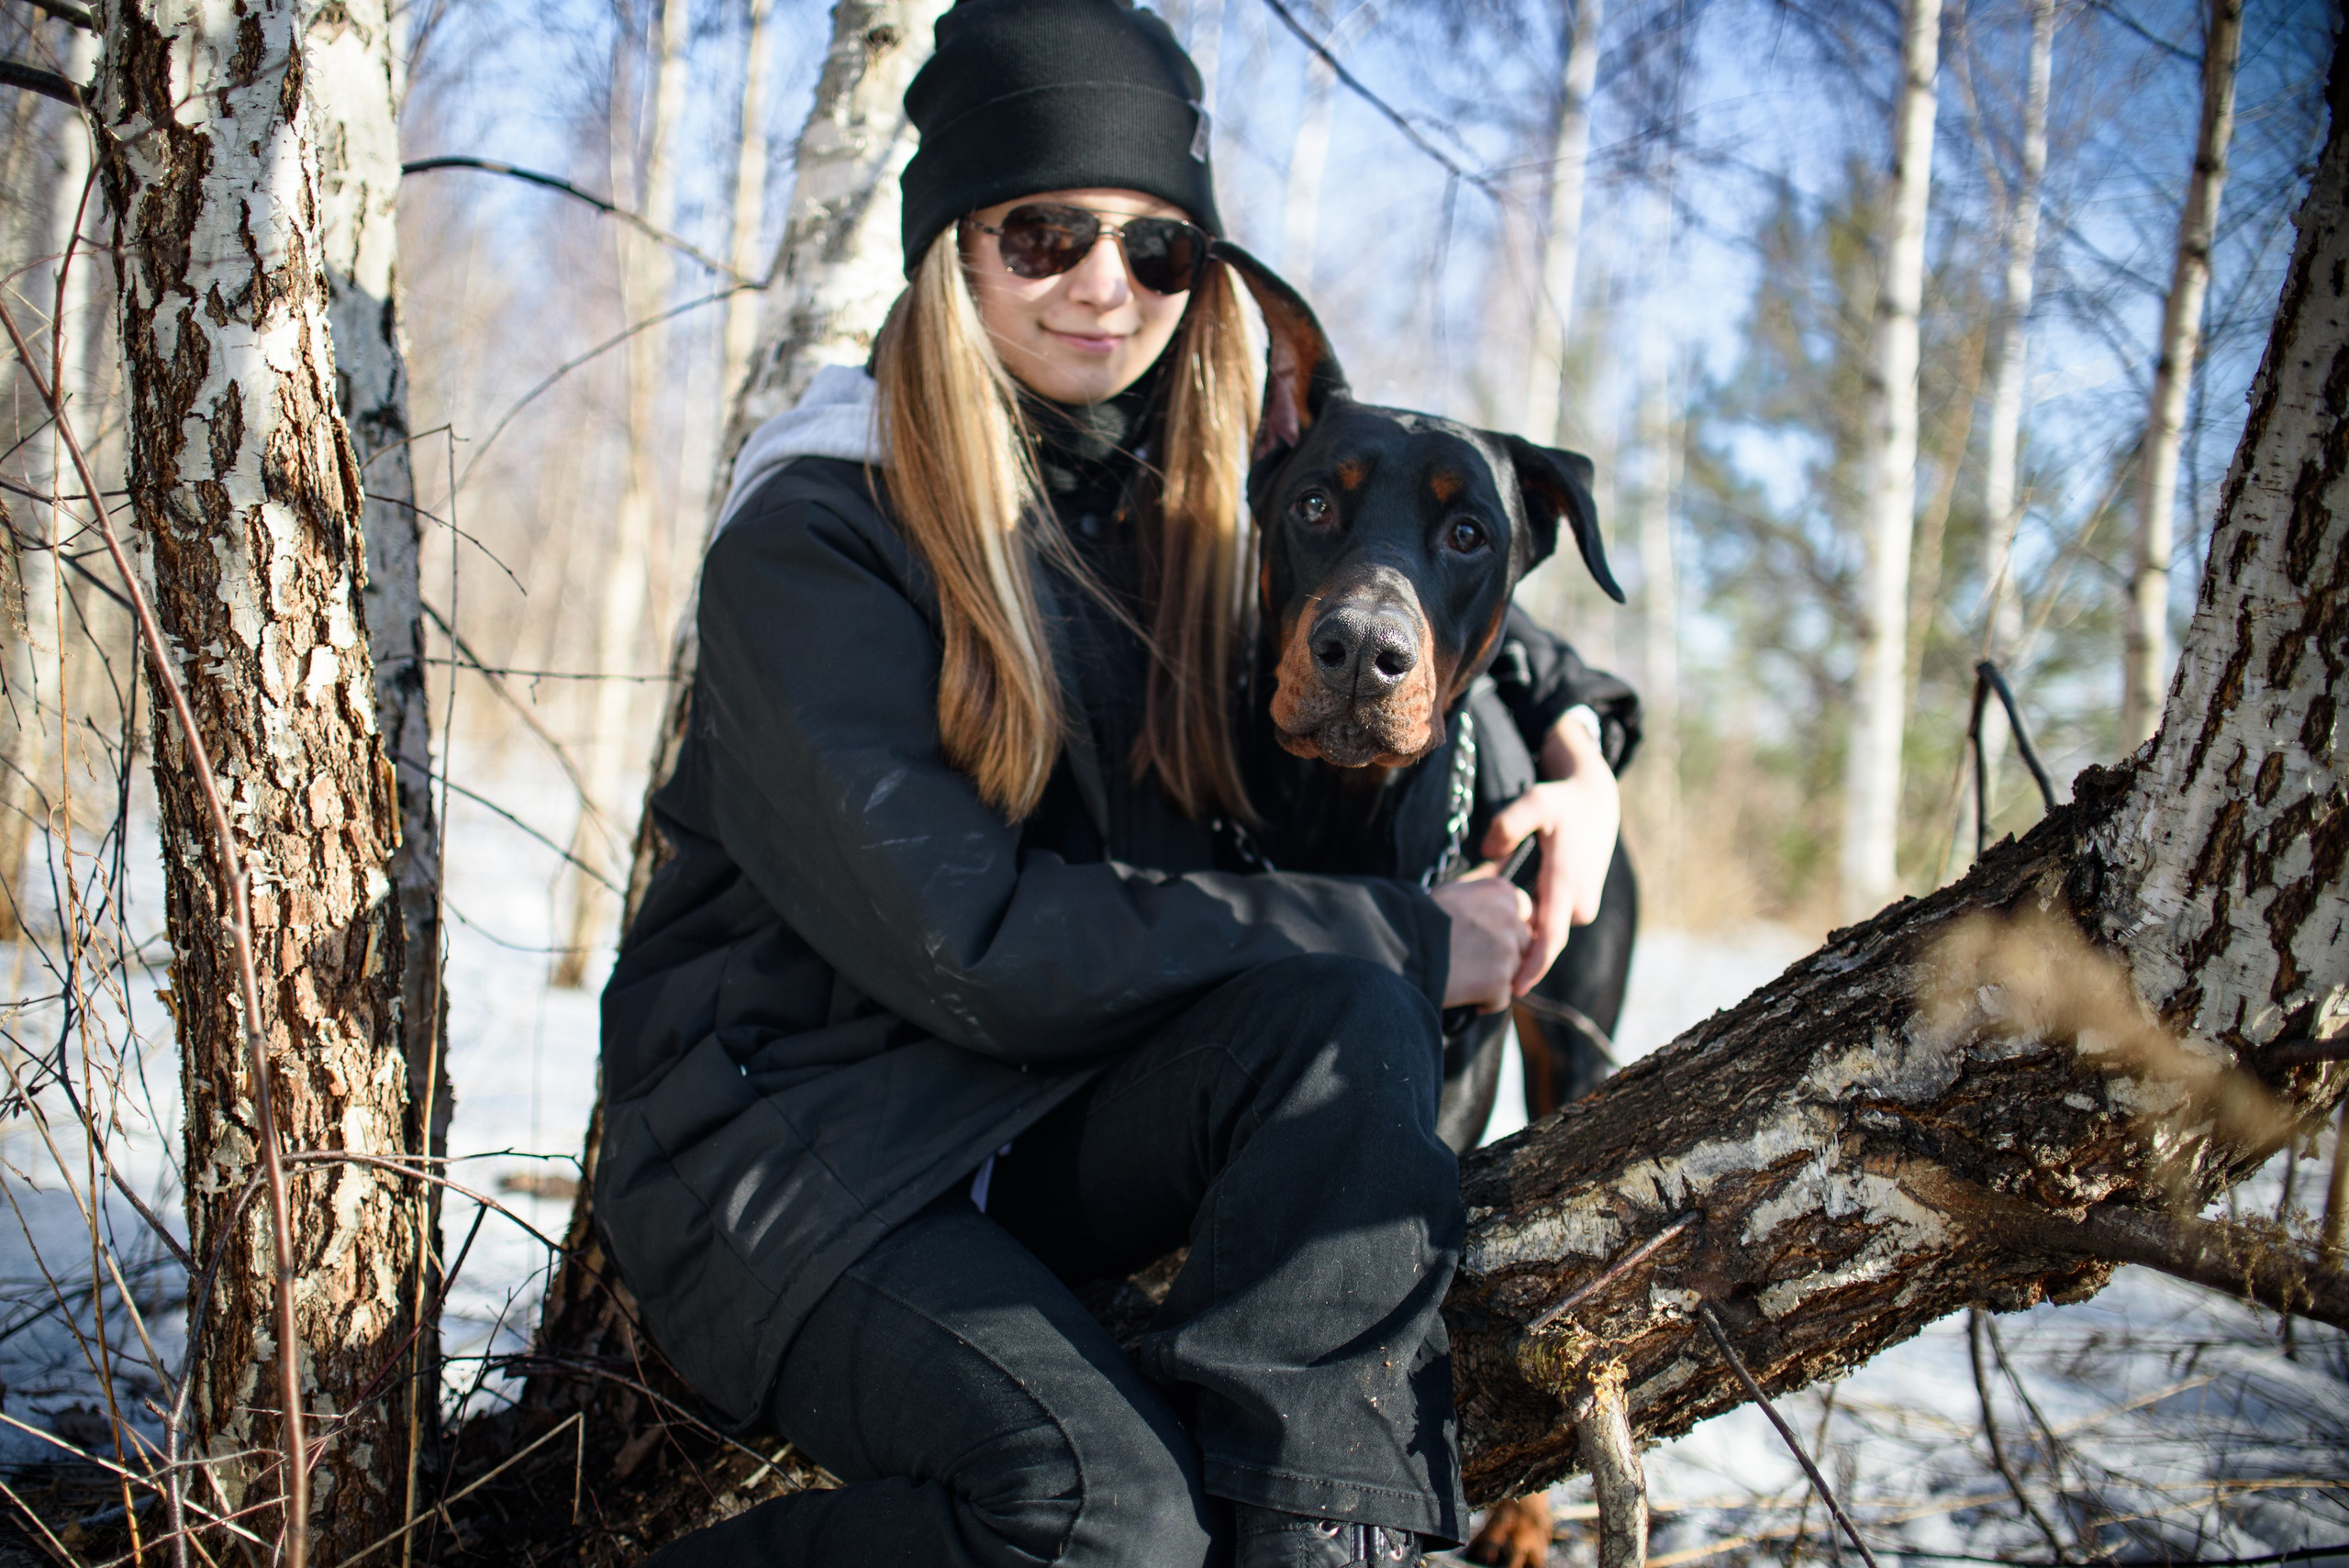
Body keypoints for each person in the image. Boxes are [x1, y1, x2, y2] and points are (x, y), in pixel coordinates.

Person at [600, 2, 1629, 1562]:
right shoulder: (819, 530)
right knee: (1106, 1518)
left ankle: (1328, 1544)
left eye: (1157, 250)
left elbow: (1433, 582)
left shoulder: (1184, 493)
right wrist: (1417, 938)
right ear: (950, 244)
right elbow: (983, 945)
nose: (1104, 285)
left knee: (1343, 1018)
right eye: (1045, 232)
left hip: (1028, 1117)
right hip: (797, 1155)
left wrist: (1582, 761)